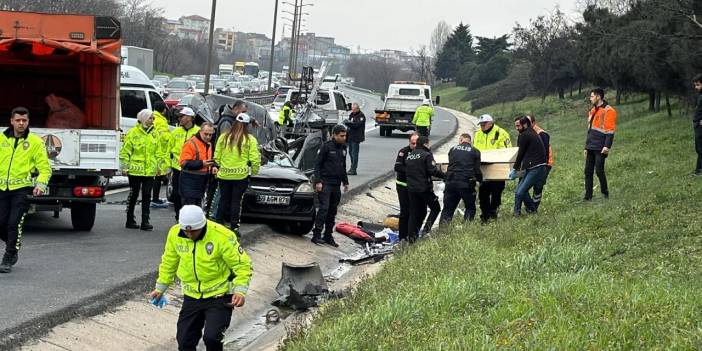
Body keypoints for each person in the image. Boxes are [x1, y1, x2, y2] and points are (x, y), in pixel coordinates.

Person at [148, 205, 252, 351]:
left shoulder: (222, 236)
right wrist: (160, 288)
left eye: (194, 231)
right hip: (192, 296)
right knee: (184, 341)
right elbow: (169, 262)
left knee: (212, 337)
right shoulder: (175, 233)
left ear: (202, 225)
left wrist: (240, 290)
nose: (190, 235)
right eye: (186, 231)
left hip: (219, 295)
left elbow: (242, 265)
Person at [0, 107, 51, 273]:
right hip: (2, 188)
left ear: (28, 122)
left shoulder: (35, 142)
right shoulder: (1, 139)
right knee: (1, 223)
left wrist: (40, 185)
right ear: (12, 121)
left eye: (24, 120)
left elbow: (45, 168)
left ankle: (9, 256)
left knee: (13, 223)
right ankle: (13, 243)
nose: (21, 123)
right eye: (18, 120)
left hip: (21, 190)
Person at [213, 113, 260, 234]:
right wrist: (254, 172)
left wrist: (217, 167)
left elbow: (217, 156)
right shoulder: (250, 140)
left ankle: (218, 223)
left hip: (224, 174)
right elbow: (255, 159)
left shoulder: (223, 137)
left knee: (223, 199)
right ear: (247, 125)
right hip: (241, 176)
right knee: (236, 201)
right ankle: (234, 227)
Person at [120, 109, 160, 231]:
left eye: (153, 118)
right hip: (135, 171)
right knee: (134, 194)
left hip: (149, 171)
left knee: (147, 195)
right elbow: (125, 152)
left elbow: (159, 153)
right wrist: (124, 167)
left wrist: (160, 167)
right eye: (150, 118)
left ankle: (145, 221)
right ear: (143, 119)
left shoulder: (155, 134)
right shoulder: (132, 133)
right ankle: (130, 219)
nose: (152, 120)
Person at [208, 101, 248, 217]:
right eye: (243, 112)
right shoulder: (227, 122)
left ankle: (217, 215)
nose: (244, 115)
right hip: (225, 165)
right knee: (220, 194)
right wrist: (218, 164)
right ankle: (215, 215)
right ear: (235, 109)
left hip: (226, 165)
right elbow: (225, 145)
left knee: (223, 194)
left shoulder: (231, 119)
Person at [312, 125, 349, 247]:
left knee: (332, 211)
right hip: (325, 183)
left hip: (336, 184)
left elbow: (342, 166)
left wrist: (345, 181)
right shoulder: (326, 147)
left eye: (345, 135)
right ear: (335, 135)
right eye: (341, 136)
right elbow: (317, 165)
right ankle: (316, 234)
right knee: (324, 208)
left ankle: (328, 235)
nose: (344, 138)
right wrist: (317, 181)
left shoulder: (344, 147)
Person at [473, 114, 512, 223]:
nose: (482, 126)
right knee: (483, 195)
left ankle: (493, 211)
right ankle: (485, 217)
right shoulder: (478, 134)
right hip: (483, 170)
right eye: (480, 124)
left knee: (496, 194)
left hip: (497, 169)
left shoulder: (501, 133)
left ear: (491, 123)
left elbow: (508, 152)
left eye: (484, 124)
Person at [405, 136, 444, 243]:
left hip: (412, 189)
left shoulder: (410, 156)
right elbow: (433, 171)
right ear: (426, 144)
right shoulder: (426, 154)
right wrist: (445, 175)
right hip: (424, 189)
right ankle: (426, 231)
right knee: (436, 208)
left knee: (415, 213)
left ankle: (412, 238)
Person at [440, 133, 482, 224]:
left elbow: (451, 164)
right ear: (470, 141)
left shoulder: (453, 149)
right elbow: (477, 170)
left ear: (461, 139)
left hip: (450, 182)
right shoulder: (475, 151)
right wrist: (480, 180)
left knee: (447, 209)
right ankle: (465, 229)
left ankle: (443, 231)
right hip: (466, 183)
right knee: (470, 208)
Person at [584, 88, 617, 200]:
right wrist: (586, 147)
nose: (591, 98)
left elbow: (610, 131)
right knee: (587, 172)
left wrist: (607, 146)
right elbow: (590, 130)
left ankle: (605, 193)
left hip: (600, 146)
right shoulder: (592, 110)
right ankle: (588, 197)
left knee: (599, 171)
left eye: (592, 96)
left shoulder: (609, 110)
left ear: (598, 97)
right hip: (590, 146)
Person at [511, 116, 547, 216]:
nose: (516, 128)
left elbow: (520, 154)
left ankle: (516, 213)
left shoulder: (525, 135)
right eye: (515, 126)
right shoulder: (531, 132)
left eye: (518, 126)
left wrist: (514, 169)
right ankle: (532, 210)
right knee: (520, 190)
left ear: (525, 124)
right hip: (534, 167)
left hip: (536, 167)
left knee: (520, 192)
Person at [170, 107, 200, 220]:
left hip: (191, 169)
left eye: (182, 116)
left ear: (189, 118)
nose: (179, 118)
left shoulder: (198, 132)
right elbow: (169, 149)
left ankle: (191, 218)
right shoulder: (176, 131)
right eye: (179, 116)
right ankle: (179, 217)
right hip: (177, 168)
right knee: (177, 195)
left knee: (190, 196)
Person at [179, 123, 215, 207]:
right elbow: (183, 163)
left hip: (200, 182)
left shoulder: (209, 144)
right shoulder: (191, 143)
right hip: (189, 182)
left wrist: (213, 166)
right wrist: (202, 164)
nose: (208, 137)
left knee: (196, 210)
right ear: (200, 131)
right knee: (189, 210)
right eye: (206, 134)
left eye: (210, 135)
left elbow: (208, 160)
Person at [393, 133, 419, 241]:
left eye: (417, 143)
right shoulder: (404, 152)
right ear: (409, 143)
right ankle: (402, 237)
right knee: (405, 212)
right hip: (403, 185)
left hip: (416, 187)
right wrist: (411, 172)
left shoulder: (423, 152)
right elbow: (397, 166)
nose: (415, 145)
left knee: (416, 211)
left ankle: (412, 235)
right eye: (413, 143)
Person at [527, 115, 553, 209]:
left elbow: (545, 152)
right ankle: (530, 205)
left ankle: (534, 206)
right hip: (532, 164)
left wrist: (543, 167)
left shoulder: (541, 134)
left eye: (528, 122)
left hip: (545, 163)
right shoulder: (527, 133)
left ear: (533, 123)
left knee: (538, 186)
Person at [151, 101, 171, 208]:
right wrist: (171, 137)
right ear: (163, 110)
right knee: (158, 176)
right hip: (161, 151)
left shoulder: (152, 118)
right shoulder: (161, 121)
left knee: (157, 176)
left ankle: (154, 198)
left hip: (154, 150)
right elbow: (163, 136)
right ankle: (155, 199)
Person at [344, 102, 366, 175]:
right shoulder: (351, 114)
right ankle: (351, 168)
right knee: (350, 153)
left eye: (354, 109)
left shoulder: (361, 116)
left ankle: (354, 169)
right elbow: (350, 124)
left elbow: (356, 125)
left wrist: (348, 123)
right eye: (352, 109)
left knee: (354, 154)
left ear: (357, 109)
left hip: (356, 137)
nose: (352, 110)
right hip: (350, 136)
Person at [692, 74, 702, 175]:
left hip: (700, 125)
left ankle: (699, 170)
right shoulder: (700, 95)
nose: (696, 87)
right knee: (698, 148)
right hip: (697, 125)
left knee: (700, 148)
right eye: (695, 85)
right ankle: (698, 169)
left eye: (698, 85)